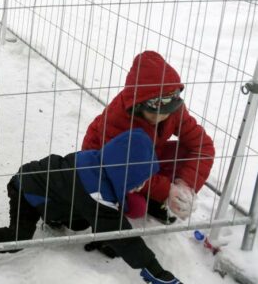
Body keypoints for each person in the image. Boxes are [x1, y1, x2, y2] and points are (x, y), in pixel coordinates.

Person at [0, 129, 184, 284]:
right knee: (19, 237)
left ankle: (54, 216)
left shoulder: (97, 163)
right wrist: (157, 273)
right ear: (124, 171)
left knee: (81, 221)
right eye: (138, 180)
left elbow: (107, 215)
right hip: (26, 189)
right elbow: (124, 235)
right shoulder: (95, 190)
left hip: (47, 186)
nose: (140, 186)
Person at [83, 51, 215, 224]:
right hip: (108, 165)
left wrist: (185, 186)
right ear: (138, 104)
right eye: (153, 111)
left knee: (183, 152)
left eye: (166, 112)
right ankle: (133, 199)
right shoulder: (117, 117)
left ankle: (155, 197)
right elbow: (124, 168)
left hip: (145, 156)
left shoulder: (174, 110)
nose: (161, 116)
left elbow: (203, 145)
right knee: (137, 207)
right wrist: (166, 190)